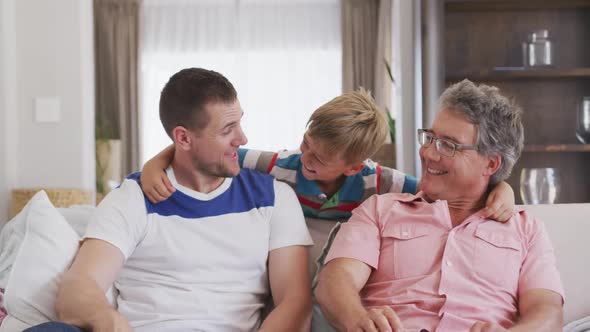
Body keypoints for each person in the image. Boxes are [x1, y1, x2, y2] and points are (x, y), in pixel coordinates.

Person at [26, 68, 313, 332]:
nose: (242, 137)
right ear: (184, 139)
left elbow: (295, 301)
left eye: (240, 123)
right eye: (228, 130)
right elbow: (78, 286)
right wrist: (107, 319)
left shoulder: (273, 197)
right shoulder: (135, 198)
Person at [314, 79, 564, 332]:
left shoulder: (526, 229)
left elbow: (548, 313)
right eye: (430, 138)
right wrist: (358, 320)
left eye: (448, 145)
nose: (429, 153)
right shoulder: (379, 210)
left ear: (490, 165)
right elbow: (336, 281)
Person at [141, 89, 516, 222]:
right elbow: (215, 150)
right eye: (307, 143)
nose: (306, 158)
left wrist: (502, 191)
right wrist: (156, 162)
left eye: (319, 157)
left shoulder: (380, 182)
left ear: (355, 166)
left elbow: (440, 189)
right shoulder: (280, 165)